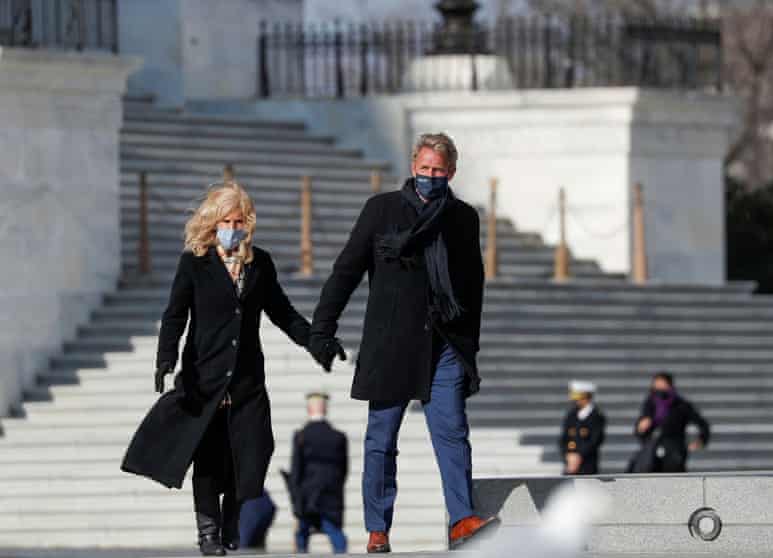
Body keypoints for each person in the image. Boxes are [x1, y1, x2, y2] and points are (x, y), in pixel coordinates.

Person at [306, 132, 497, 552]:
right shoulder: (382, 211)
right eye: (425, 169)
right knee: (381, 438)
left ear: (451, 172)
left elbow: (473, 286)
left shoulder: (462, 217)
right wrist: (322, 327)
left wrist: (470, 351)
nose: (431, 177)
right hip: (392, 343)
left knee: (452, 431)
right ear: (413, 166)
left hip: (443, 343)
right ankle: (378, 528)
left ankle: (462, 519)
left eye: (439, 171)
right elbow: (347, 270)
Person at [121, 182, 319, 556]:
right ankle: (208, 534)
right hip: (205, 378)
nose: (233, 227)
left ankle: (231, 520)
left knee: (255, 453)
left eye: (239, 220)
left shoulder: (259, 263)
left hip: (246, 381)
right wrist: (166, 357)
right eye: (225, 220)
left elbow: (282, 312)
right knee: (210, 462)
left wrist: (315, 340)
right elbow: (175, 314)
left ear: (248, 223)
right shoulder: (194, 262)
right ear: (212, 225)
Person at [285, 392, 349, 554]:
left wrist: (295, 495)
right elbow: (343, 469)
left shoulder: (301, 436)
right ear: (325, 410)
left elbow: (296, 469)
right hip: (331, 492)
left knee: (302, 534)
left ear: (308, 409)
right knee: (335, 533)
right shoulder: (338, 437)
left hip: (308, 494)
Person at [627, 372, 710, 473]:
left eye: (662, 385)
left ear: (669, 385)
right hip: (651, 453)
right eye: (656, 386)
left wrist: (701, 440)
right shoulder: (650, 404)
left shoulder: (681, 405)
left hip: (674, 453)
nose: (659, 389)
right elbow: (639, 432)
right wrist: (641, 428)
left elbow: (702, 424)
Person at [559, 381, 607, 475]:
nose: (576, 401)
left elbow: (595, 440)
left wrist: (579, 455)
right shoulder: (571, 415)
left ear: (586, 397)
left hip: (587, 465)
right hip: (570, 464)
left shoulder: (596, 416)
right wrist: (568, 455)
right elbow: (563, 439)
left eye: (579, 398)